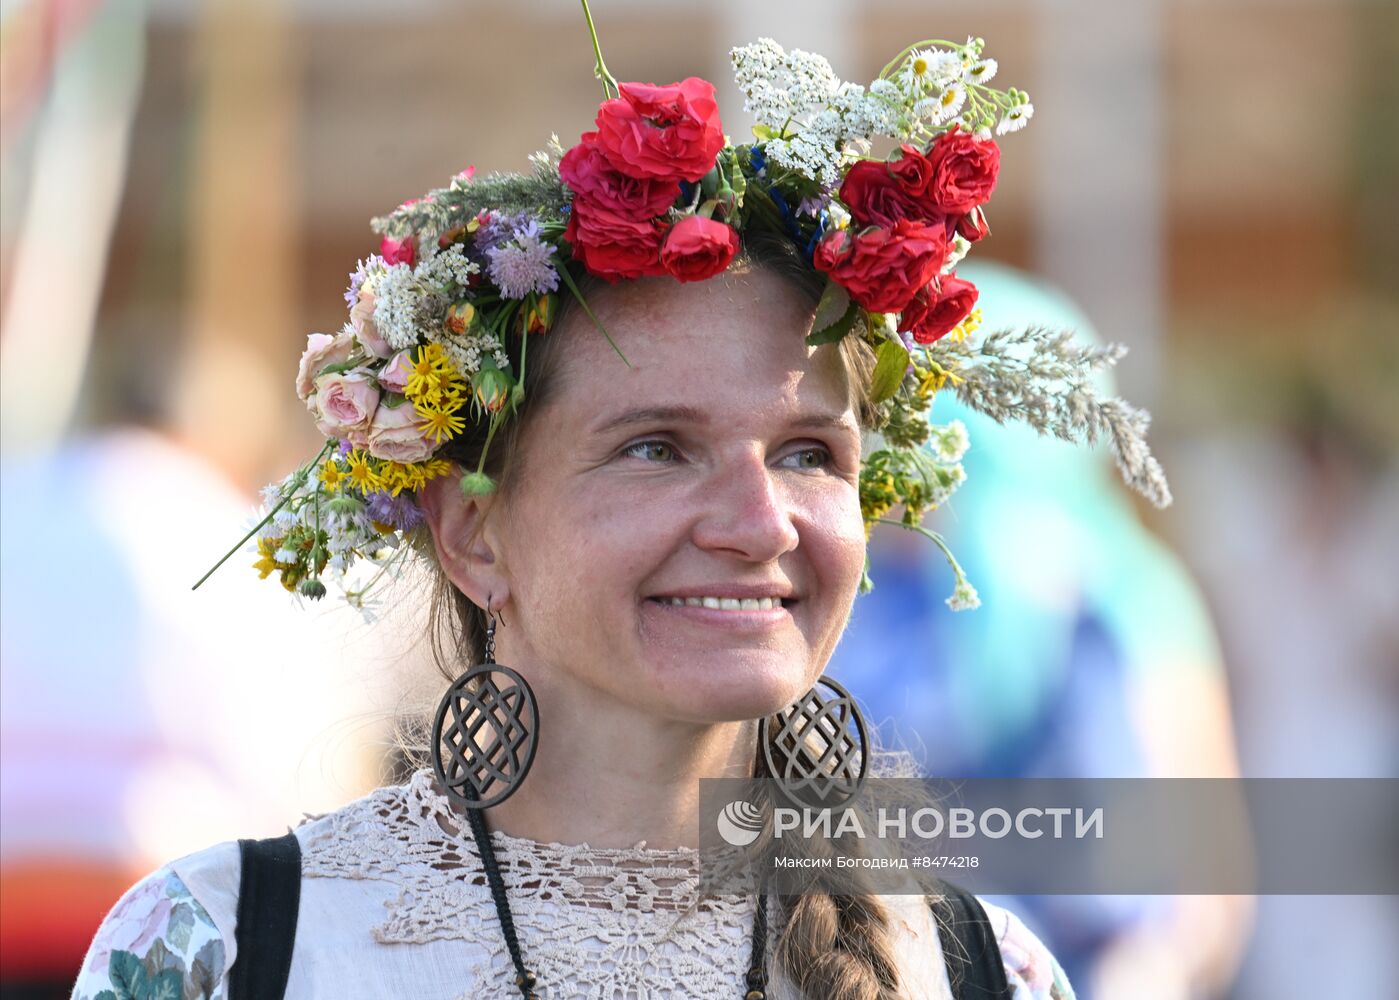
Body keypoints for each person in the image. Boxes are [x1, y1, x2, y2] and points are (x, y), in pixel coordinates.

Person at [70, 18, 1166, 999]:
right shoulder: (227, 948)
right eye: (655, 448)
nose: (761, 521)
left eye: (805, 452)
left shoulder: (985, 974)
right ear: (470, 529)